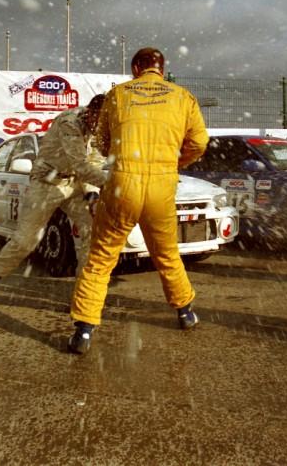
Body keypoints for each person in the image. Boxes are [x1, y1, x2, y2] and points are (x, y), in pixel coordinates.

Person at [67, 47, 209, 354]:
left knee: (102, 257)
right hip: (161, 185)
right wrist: (174, 162)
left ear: (135, 68)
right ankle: (185, 312)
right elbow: (200, 142)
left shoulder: (117, 95)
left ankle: (85, 329)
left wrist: (121, 156)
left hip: (123, 183)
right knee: (167, 253)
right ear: (162, 67)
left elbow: (103, 142)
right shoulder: (183, 96)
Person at [0, 95, 108, 304]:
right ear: (92, 112)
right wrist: (112, 184)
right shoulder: (69, 121)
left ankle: (85, 293)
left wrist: (92, 192)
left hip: (73, 184)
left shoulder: (99, 125)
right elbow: (80, 164)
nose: (103, 126)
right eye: (101, 120)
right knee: (26, 240)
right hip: (45, 184)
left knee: (92, 230)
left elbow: (94, 161)